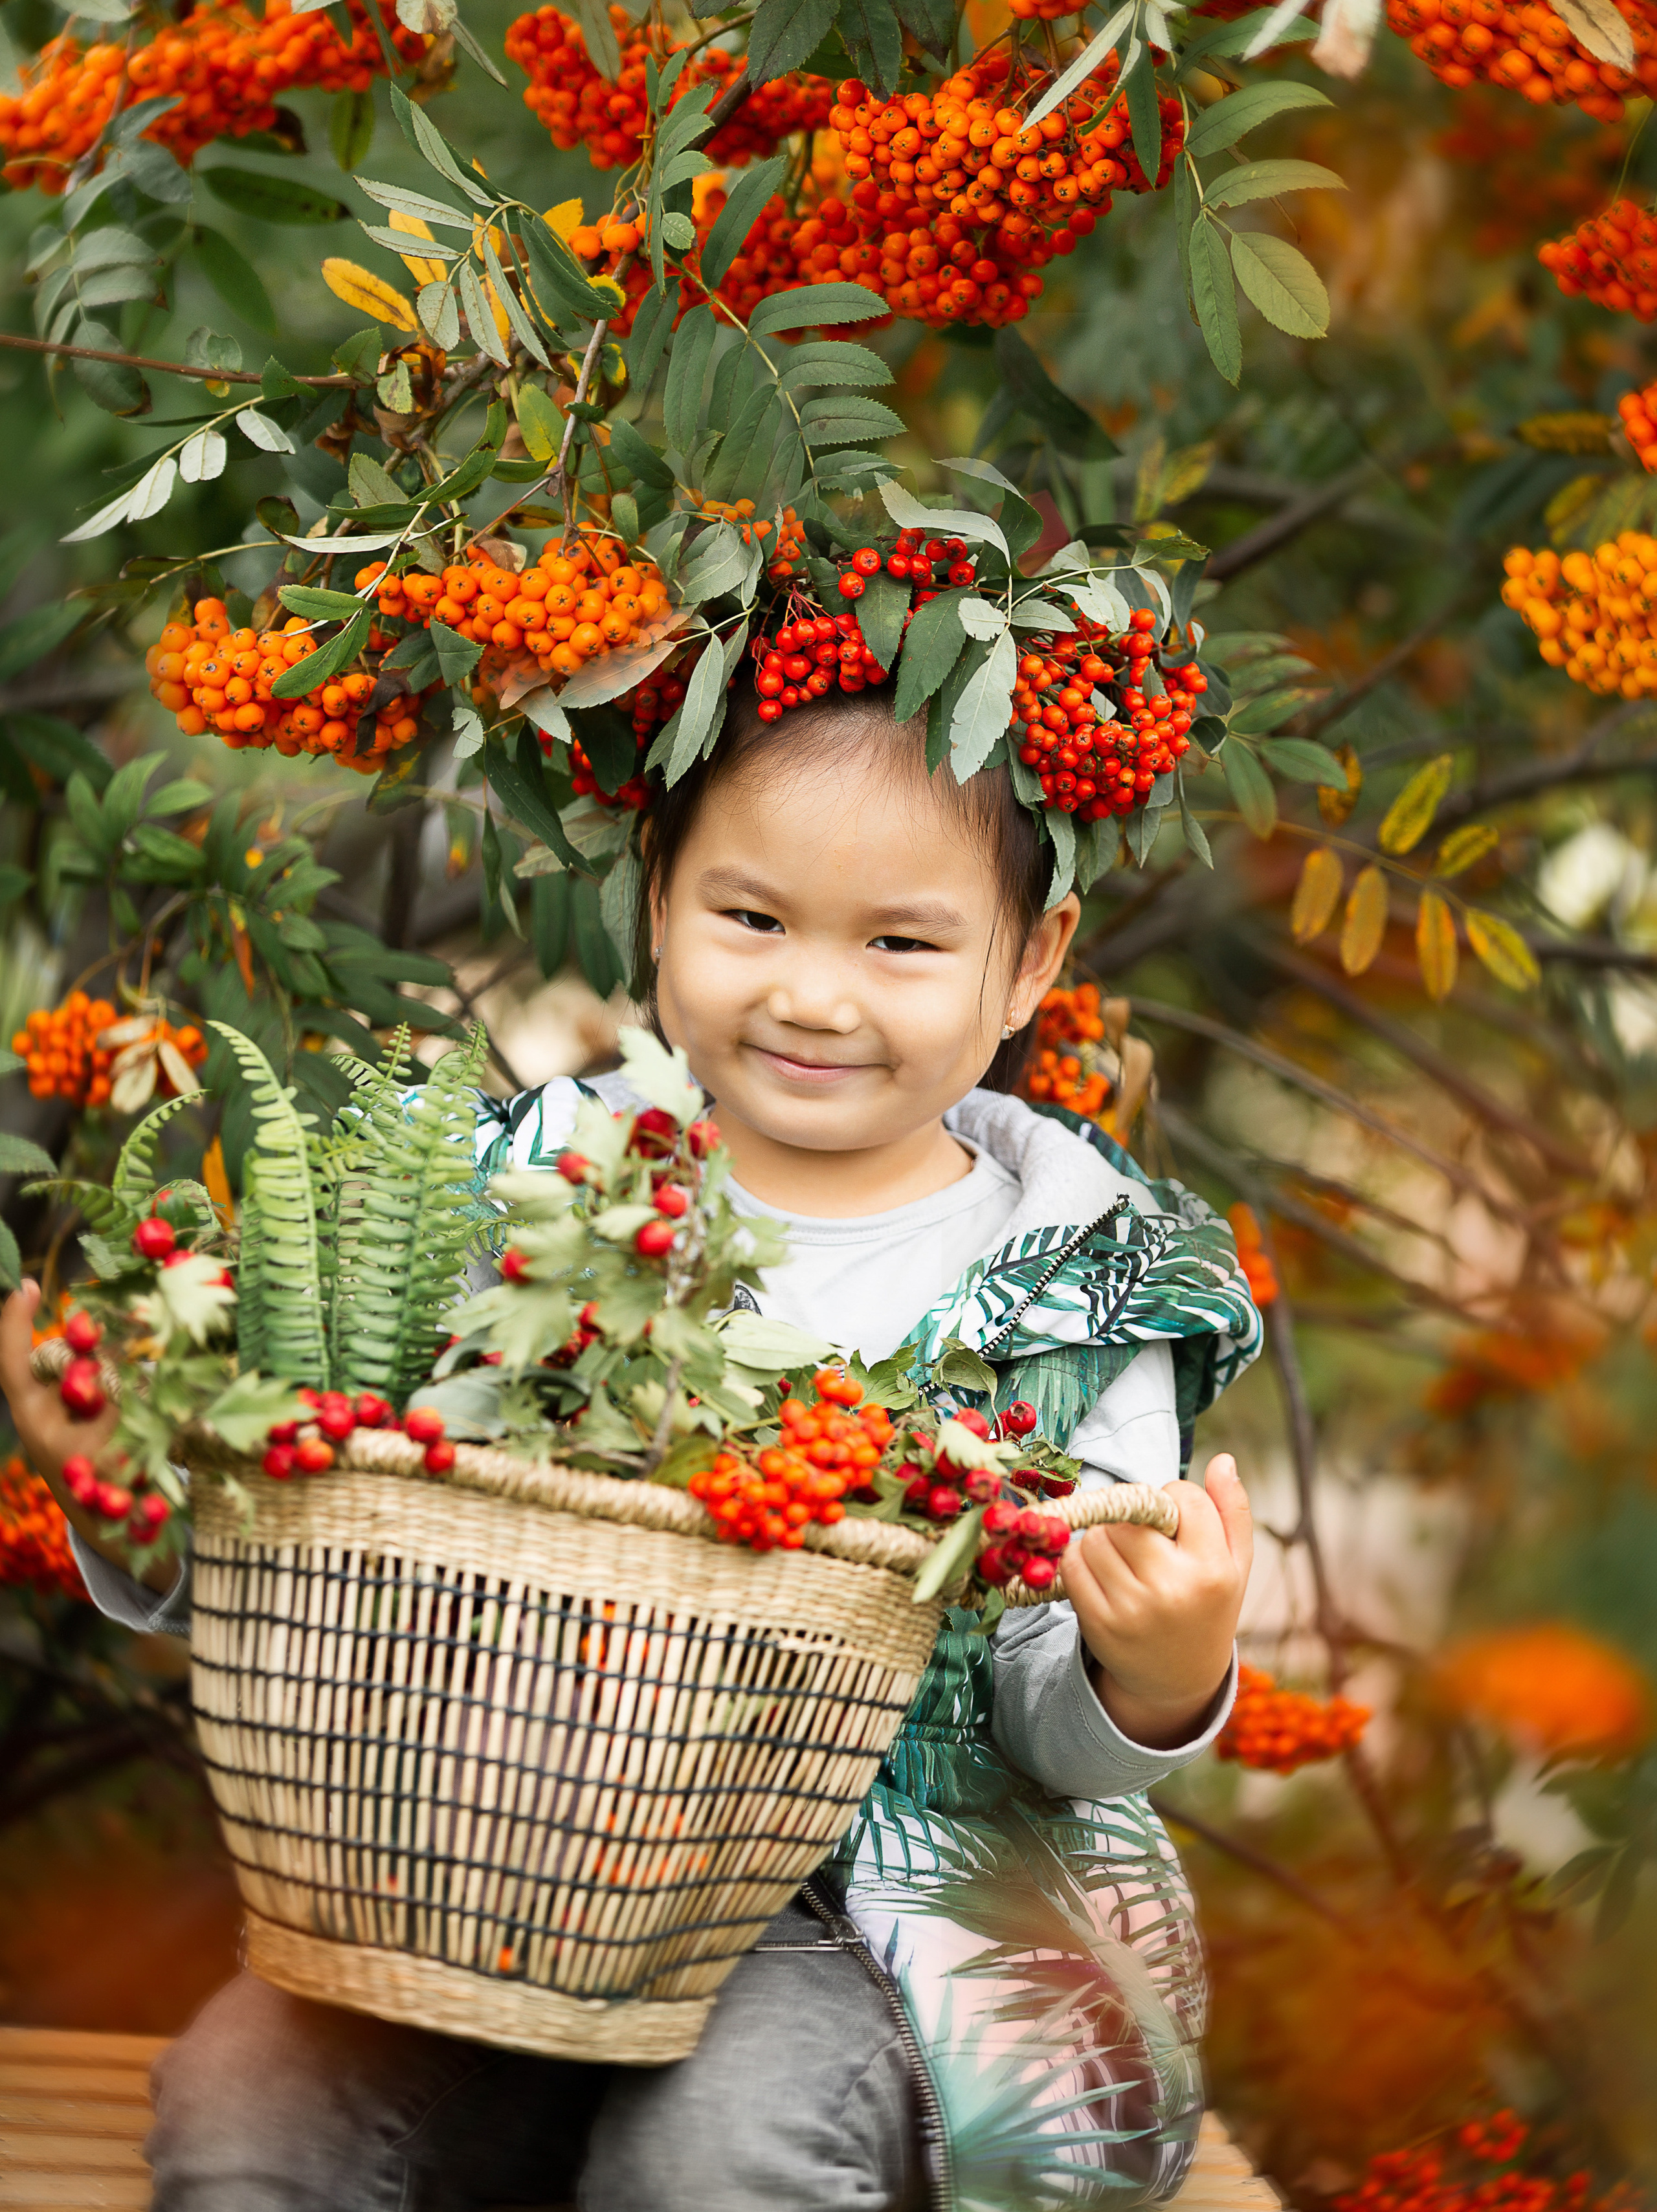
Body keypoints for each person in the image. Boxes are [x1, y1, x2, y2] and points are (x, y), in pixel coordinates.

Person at [0, 682, 1261, 2212]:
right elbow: (341, 1544)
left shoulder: (1081, 1283)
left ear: (1030, 965)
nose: (814, 994)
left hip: (856, 1931)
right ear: (658, 901)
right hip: (492, 1870)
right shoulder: (520, 1191)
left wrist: (1159, 1669)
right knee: (250, 2099)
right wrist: (132, 1493)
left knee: (715, 2146)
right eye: (752, 917)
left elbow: (1046, 1731)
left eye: (899, 942)